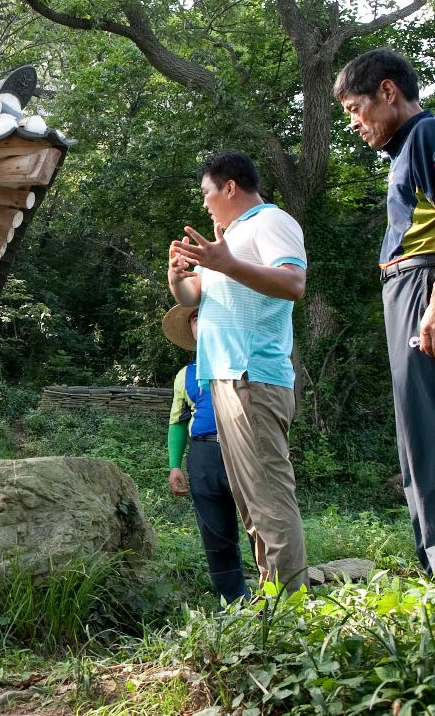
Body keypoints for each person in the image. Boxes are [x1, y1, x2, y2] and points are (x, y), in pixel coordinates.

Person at [334, 49, 435, 578]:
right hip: (414, 289)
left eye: (356, 109)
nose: (354, 124)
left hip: (431, 285)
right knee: (421, 440)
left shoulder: (428, 133)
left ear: (387, 91)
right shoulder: (407, 151)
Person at [168, 151, 308, 592]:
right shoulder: (230, 238)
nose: (205, 203)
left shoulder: (271, 222)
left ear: (230, 187)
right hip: (225, 379)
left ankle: (291, 609)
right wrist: (179, 275)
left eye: (207, 192)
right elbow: (192, 297)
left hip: (252, 377)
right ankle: (274, 604)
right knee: (252, 503)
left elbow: (293, 283)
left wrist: (225, 263)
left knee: (268, 498)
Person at [163, 304, 249, 603]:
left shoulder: (245, 361)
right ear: (191, 329)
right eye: (195, 319)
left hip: (245, 450)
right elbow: (178, 421)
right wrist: (175, 466)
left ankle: (277, 596)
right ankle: (234, 602)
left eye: (206, 315)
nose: (201, 323)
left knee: (263, 527)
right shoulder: (185, 375)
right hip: (203, 456)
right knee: (215, 533)